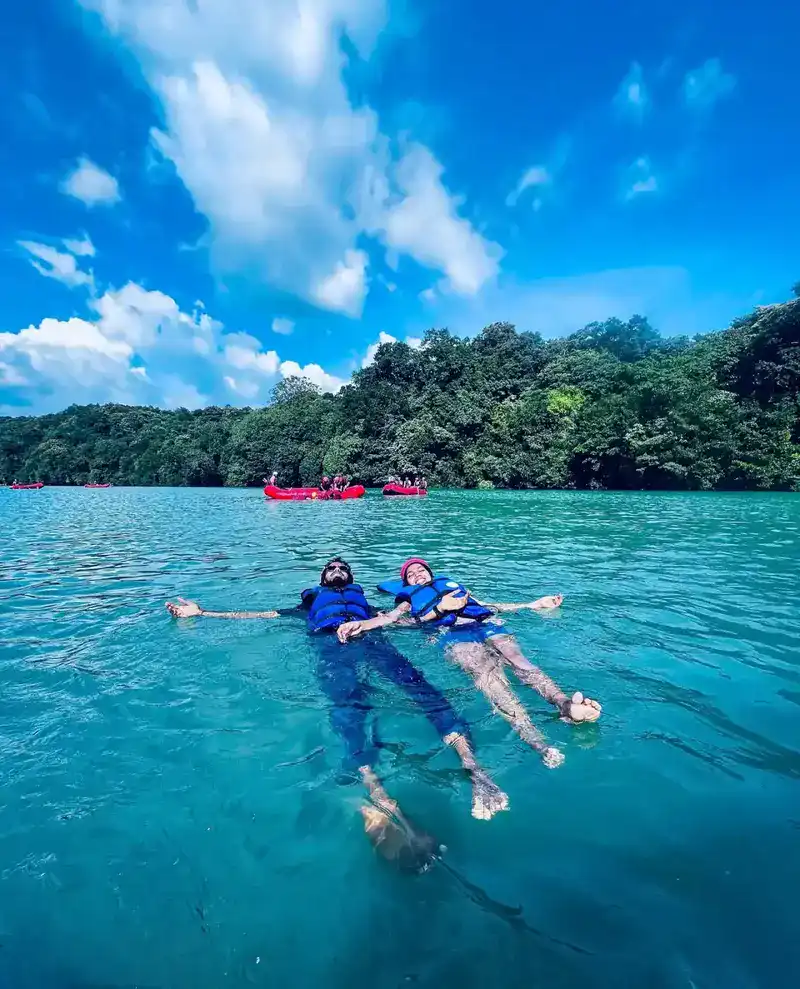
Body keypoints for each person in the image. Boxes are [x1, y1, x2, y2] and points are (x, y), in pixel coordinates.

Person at [165, 558, 508, 871]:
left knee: (423, 691)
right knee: (348, 709)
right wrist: (203, 613)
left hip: (373, 641)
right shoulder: (309, 604)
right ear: (322, 578)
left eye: (342, 567)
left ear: (351, 577)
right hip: (332, 650)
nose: (336, 569)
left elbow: (401, 622)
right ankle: (380, 798)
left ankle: (475, 771)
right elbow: (261, 615)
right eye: (330, 567)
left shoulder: (367, 606)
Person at [337, 558, 602, 768]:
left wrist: (533, 604)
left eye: (421, 570)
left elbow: (490, 606)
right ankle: (537, 741)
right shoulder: (409, 600)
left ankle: (565, 704)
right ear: (406, 581)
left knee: (519, 661)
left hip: (487, 626)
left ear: (430, 572)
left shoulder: (455, 588)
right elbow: (389, 619)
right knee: (489, 677)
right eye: (411, 573)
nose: (418, 574)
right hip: (453, 636)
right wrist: (360, 623)